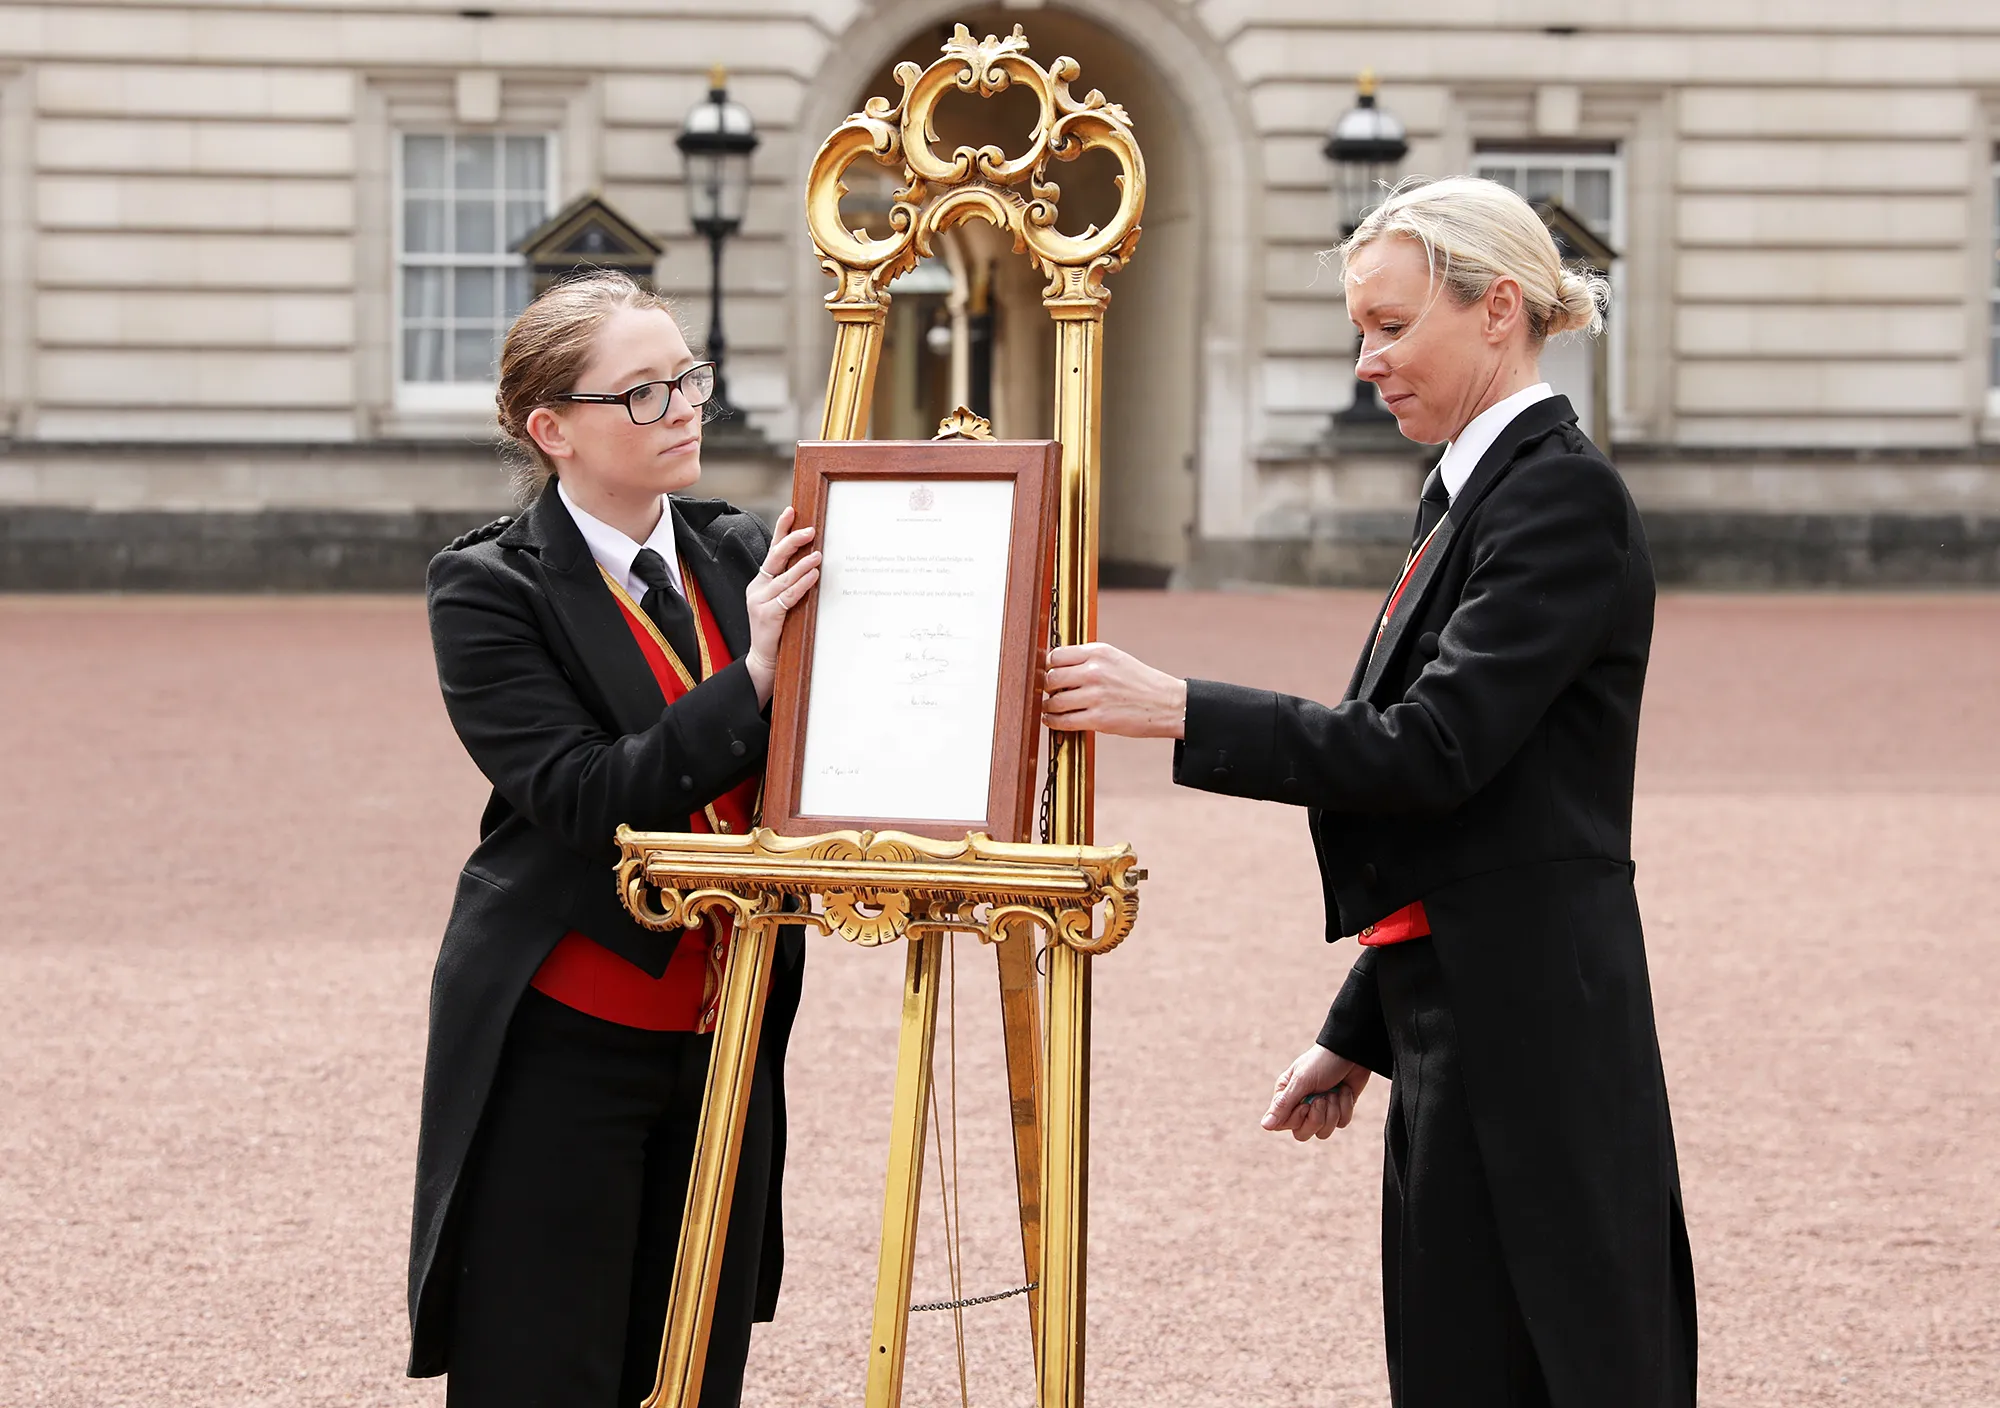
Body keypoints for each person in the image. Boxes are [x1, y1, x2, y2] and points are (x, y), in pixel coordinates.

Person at [1042, 176, 1696, 1406]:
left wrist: (1177, 706)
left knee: (1564, 1368)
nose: (1365, 361)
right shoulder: (1471, 494)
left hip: (1537, 1037)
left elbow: (1428, 751)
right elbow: (1474, 817)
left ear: (1496, 309)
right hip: (1467, 1010)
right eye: (1361, 329)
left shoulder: (1555, 495)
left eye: (1391, 326)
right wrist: (1360, 1025)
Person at [405, 270, 821, 1407]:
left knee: (694, 1365)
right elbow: (590, 796)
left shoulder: (740, 550)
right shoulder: (488, 587)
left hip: (730, 1027)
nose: (684, 408)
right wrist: (756, 674)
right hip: (564, 1037)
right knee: (547, 1369)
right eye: (643, 392)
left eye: (688, 378)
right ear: (553, 431)